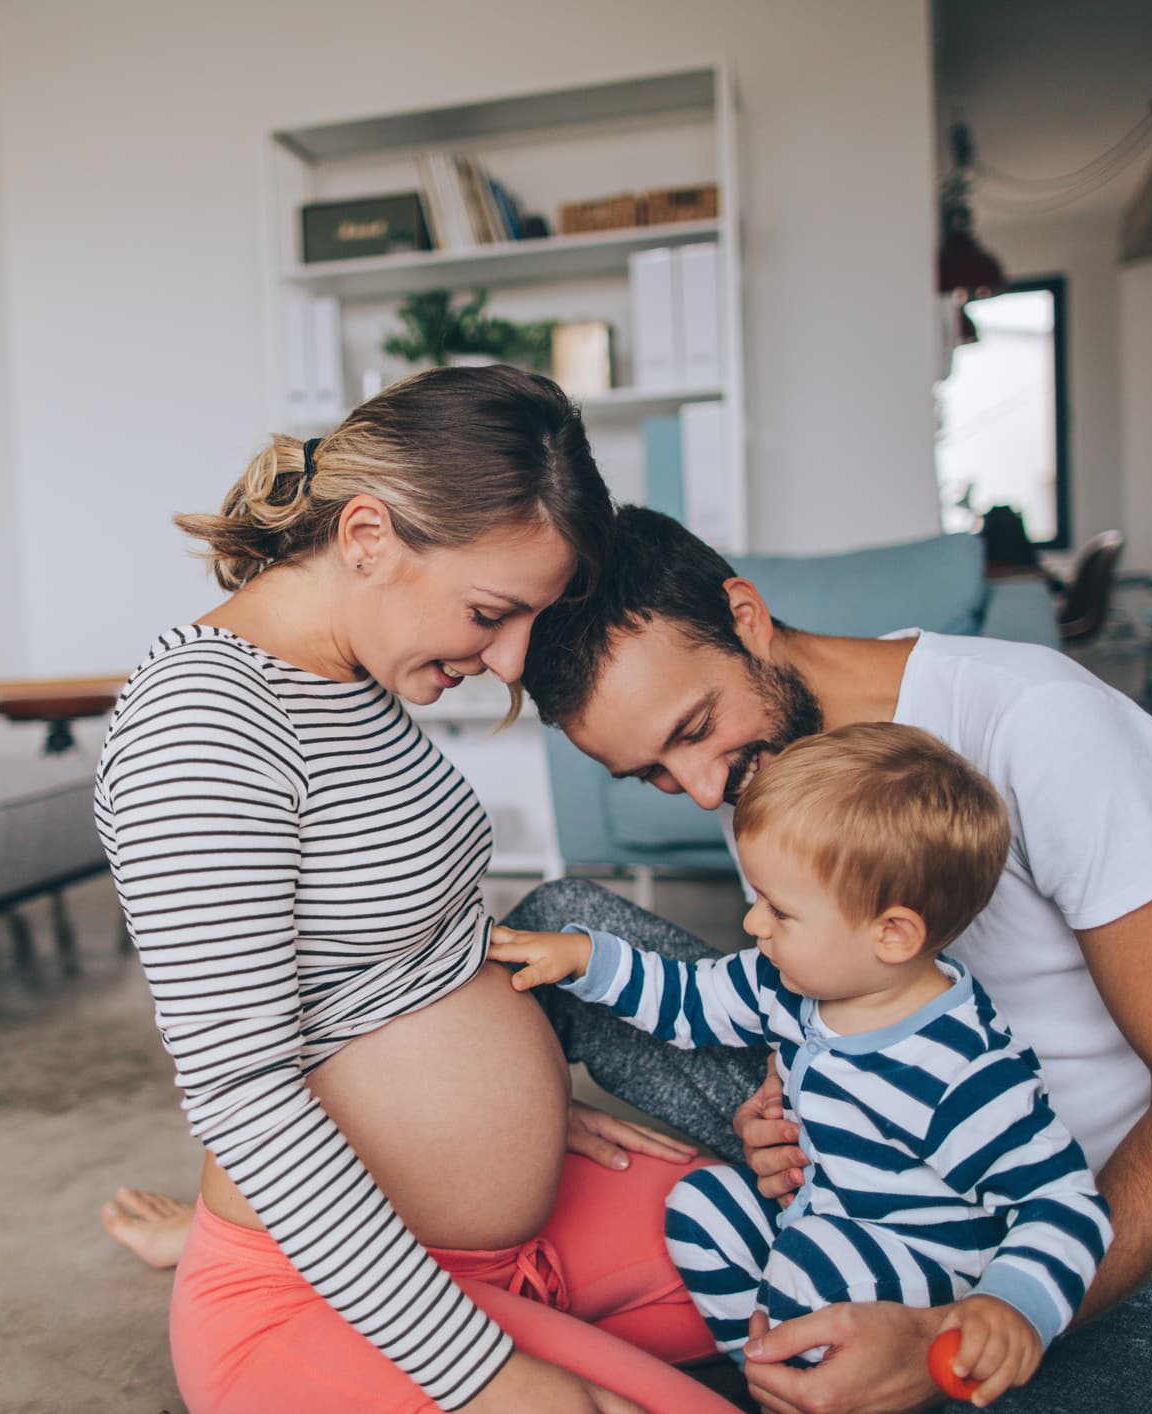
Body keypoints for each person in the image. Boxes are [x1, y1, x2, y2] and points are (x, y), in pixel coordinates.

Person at [513, 506, 1152, 1414]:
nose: (702, 791)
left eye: (692, 730)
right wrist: (775, 1091)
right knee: (553, 927)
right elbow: (815, 984)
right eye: (652, 774)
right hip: (875, 1177)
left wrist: (959, 1332)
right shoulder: (753, 762)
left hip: (1107, 1253)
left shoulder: (1039, 725)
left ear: (746, 616)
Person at [94, 370, 738, 1413]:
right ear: (365, 538)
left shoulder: (351, 671)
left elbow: (394, 961)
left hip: (497, 1227)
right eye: (492, 612)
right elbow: (243, 1094)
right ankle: (218, 1266)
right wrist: (489, 1378)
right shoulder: (203, 727)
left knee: (811, 1268)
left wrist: (513, 1115)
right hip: (319, 1290)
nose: (512, 660)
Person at [489, 723, 1114, 1409]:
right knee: (700, 1207)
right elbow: (689, 999)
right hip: (818, 1214)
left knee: (812, 1262)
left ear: (892, 934)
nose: (753, 925)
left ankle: (804, 1369)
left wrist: (1011, 1305)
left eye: (779, 911)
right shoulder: (790, 982)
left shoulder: (959, 1070)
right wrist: (584, 960)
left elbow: (1061, 1203)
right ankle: (771, 1375)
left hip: (918, 1270)